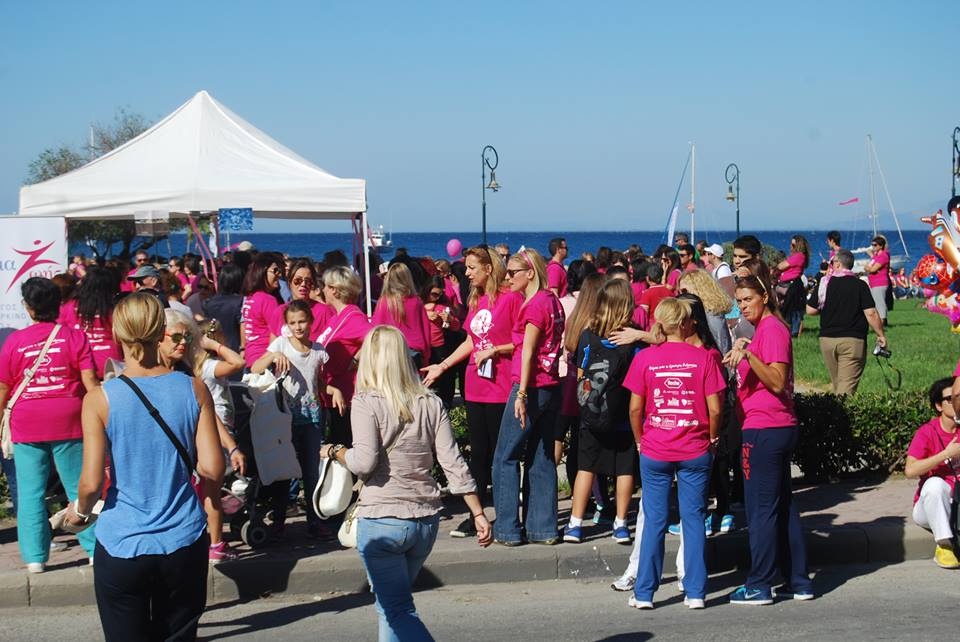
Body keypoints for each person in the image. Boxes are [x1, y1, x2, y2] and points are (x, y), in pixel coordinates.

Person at [68, 292, 224, 641]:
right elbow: (213, 468)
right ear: (159, 332)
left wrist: (79, 513)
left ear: (117, 333)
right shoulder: (194, 389)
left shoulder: (99, 399)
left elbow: (91, 483)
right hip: (183, 537)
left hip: (123, 541)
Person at [320, 326, 492, 641]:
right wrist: (478, 513)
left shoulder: (366, 401)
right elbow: (453, 462)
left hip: (383, 518)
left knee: (397, 610)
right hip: (425, 521)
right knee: (391, 608)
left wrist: (336, 452)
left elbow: (364, 462)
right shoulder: (430, 402)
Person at [623, 298, 725, 610]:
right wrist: (712, 437)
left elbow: (635, 408)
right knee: (693, 519)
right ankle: (695, 592)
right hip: (695, 447)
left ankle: (644, 592)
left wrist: (640, 440)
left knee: (654, 520)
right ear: (684, 324)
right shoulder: (704, 358)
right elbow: (716, 408)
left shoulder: (645, 358)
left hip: (655, 447)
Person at [723, 274, 813, 604]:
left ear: (764, 296)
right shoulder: (763, 330)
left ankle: (759, 583)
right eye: (739, 301)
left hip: (765, 429)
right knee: (782, 506)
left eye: (748, 299)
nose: (743, 306)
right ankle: (798, 580)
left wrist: (749, 356)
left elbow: (776, 380)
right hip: (773, 427)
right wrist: (747, 349)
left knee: (761, 511)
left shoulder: (772, 328)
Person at [422, 247, 523, 538]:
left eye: (472, 268)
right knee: (478, 453)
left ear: (489, 269)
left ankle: (507, 517)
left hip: (500, 386)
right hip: (475, 384)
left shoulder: (511, 298)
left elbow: (521, 341)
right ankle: (475, 516)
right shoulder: (477, 299)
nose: (466, 273)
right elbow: (471, 340)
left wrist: (495, 350)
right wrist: (443, 366)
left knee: (501, 454)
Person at [0, 278, 99, 572]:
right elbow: (90, 382)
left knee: (30, 492)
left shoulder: (14, 341)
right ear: (59, 305)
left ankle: (35, 558)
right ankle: (94, 550)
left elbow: (3, 387)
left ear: (28, 307)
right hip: (69, 419)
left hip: (26, 422)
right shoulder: (74, 337)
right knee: (78, 488)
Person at [492, 249, 565, 546]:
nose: (508, 278)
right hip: (550, 385)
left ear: (530, 273)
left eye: (513, 273)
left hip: (532, 385)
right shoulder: (552, 301)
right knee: (541, 456)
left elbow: (529, 352)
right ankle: (542, 527)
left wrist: (521, 393)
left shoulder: (535, 306)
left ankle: (508, 528)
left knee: (505, 456)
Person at [563, 279, 642, 545]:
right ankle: (621, 523)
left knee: (586, 467)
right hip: (623, 414)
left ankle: (575, 524)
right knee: (624, 469)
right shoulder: (633, 338)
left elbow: (581, 372)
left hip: (592, 412)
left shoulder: (588, 334)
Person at [252, 299, 329, 539]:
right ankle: (279, 519)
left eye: (302, 321)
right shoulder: (281, 344)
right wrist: (274, 355)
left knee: (311, 472)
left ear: (311, 321)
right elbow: (255, 368)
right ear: (286, 324)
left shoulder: (319, 351)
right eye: (293, 323)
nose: (298, 327)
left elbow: (320, 383)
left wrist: (333, 391)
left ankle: (314, 521)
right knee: (284, 471)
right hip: (284, 416)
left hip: (312, 417)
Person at [805, 250, 888, 395]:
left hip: (827, 340)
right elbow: (871, 313)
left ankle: (832, 408)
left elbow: (810, 310)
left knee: (838, 384)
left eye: (832, 262)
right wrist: (880, 335)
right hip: (852, 341)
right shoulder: (860, 285)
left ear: (838, 264)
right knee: (845, 390)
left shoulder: (824, 284)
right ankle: (837, 410)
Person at [904, 377, 960, 569]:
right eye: (950, 399)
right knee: (935, 485)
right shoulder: (927, 432)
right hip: (928, 507)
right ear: (938, 405)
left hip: (957, 504)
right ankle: (944, 546)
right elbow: (910, 470)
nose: (956, 402)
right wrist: (946, 454)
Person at [318, 266, 373, 447]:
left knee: (343, 447)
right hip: (332, 395)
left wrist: (356, 358)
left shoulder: (353, 316)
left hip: (346, 398)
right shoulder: (337, 317)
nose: (322, 290)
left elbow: (377, 339)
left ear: (334, 289)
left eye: (325, 286)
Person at [58, 266, 122, 380]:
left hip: (80, 368)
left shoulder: (68, 307)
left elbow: (60, 337)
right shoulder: (116, 309)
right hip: (111, 367)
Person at [371, 263, 433, 368]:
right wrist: (426, 356)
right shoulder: (416, 301)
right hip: (414, 353)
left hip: (390, 352)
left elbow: (375, 330)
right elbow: (425, 330)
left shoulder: (385, 302)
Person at [270, 258, 333, 342]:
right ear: (289, 282)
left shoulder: (324, 312)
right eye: (298, 281)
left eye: (308, 281)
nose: (303, 284)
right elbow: (272, 345)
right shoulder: (279, 312)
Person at [421, 275, 461, 407]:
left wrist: (450, 319)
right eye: (434, 294)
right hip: (423, 346)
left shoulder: (443, 305)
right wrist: (425, 315)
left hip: (439, 345)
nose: (436, 297)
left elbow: (456, 326)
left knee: (443, 378)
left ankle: (445, 403)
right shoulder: (418, 304)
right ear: (427, 290)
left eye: (440, 294)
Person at [240, 254, 284, 368]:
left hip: (250, 357)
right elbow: (278, 331)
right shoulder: (268, 300)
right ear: (262, 271)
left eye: (280, 271)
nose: (279, 274)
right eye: (275, 270)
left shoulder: (250, 298)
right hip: (265, 358)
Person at [203, 263, 245, 354]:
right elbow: (243, 326)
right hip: (235, 349)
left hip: (215, 348)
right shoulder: (241, 302)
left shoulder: (208, 302)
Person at [864, 235, 891, 326]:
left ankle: (882, 322)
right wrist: (869, 268)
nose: (873, 247)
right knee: (875, 303)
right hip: (873, 283)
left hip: (880, 283)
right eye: (872, 245)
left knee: (880, 303)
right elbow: (867, 267)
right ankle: (879, 322)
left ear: (881, 246)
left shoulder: (883, 256)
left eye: (875, 245)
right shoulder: (876, 256)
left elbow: (872, 269)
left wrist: (869, 268)